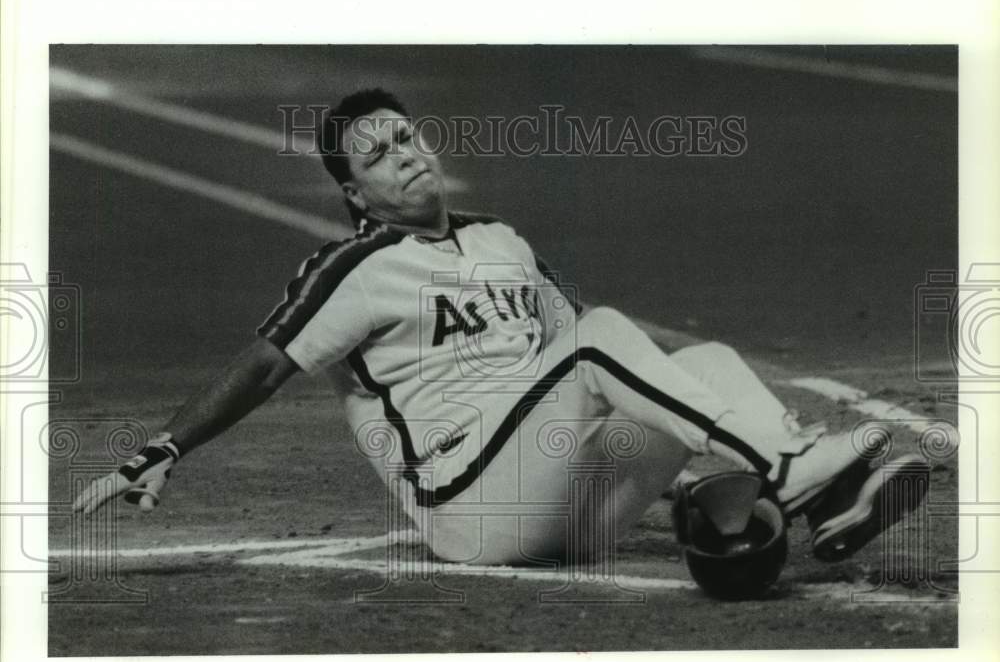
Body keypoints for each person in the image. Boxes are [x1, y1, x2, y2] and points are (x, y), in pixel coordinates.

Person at [75, 88, 927, 568]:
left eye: (405, 137)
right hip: (475, 513)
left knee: (703, 356)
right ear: (355, 196)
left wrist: (665, 466)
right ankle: (780, 467)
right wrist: (163, 448)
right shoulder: (353, 267)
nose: (405, 155)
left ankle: (808, 506)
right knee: (600, 334)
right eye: (377, 157)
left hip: (570, 503)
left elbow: (593, 373)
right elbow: (264, 367)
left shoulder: (501, 240)